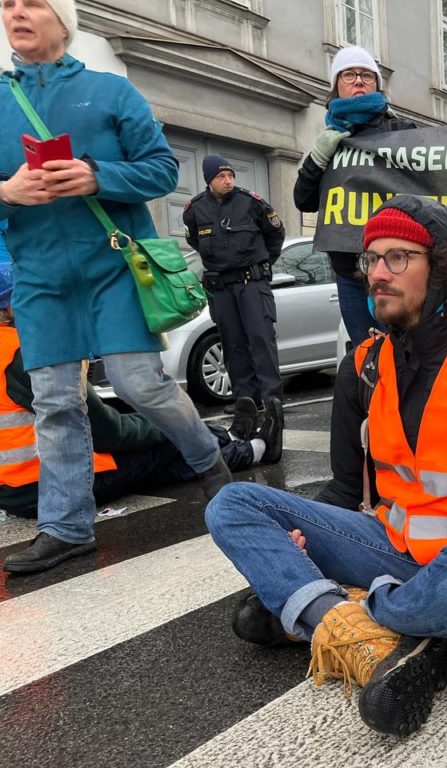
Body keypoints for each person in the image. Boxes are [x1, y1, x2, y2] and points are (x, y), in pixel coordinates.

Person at [206, 196, 447, 737]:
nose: (378, 274)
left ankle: (327, 611)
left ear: (440, 269)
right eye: (371, 260)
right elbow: (346, 490)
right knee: (235, 504)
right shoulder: (363, 367)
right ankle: (387, 629)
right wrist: (301, 535)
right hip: (392, 550)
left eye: (398, 258)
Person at [0, 0, 231, 574]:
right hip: (40, 278)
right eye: (8, 4)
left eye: (32, 3)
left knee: (138, 384)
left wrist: (99, 176)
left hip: (114, 268)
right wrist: (6, 191)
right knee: (55, 401)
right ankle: (67, 528)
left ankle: (209, 462)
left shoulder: (109, 92)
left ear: (62, 19)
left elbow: (162, 170)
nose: (16, 13)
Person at [0, 265, 283, 539]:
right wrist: (165, 426)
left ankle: (231, 439)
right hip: (46, 485)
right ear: (11, 307)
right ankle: (252, 449)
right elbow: (109, 433)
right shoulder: (25, 351)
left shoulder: (13, 348)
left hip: (13, 489)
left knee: (158, 458)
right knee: (168, 448)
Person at [293, 45, 416, 347]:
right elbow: (303, 200)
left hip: (395, 268)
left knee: (403, 351)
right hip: (349, 273)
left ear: (376, 84)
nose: (359, 81)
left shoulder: (400, 130)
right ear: (336, 87)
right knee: (367, 355)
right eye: (349, 75)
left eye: (366, 75)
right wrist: (318, 159)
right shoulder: (330, 141)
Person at [183, 155, 285, 439]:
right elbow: (194, 239)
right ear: (209, 180)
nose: (228, 180)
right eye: (221, 177)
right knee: (233, 344)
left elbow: (275, 234)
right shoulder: (195, 210)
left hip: (252, 284)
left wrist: (261, 264)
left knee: (261, 340)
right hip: (222, 289)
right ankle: (246, 402)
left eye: (230, 175)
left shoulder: (250, 203)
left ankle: (273, 401)